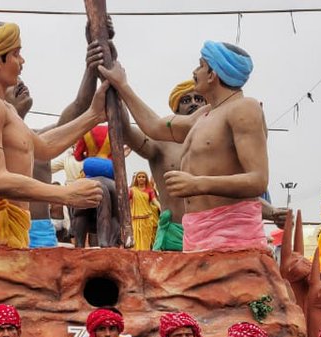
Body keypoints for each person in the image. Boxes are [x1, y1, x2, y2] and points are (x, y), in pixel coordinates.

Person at [99, 41, 269, 252]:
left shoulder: (244, 108)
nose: (194, 72)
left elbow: (258, 180)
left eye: (200, 65)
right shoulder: (204, 115)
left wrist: (198, 184)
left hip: (231, 235)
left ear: (212, 75)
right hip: (195, 233)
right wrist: (121, 84)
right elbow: (154, 126)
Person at [0, 21, 106, 248]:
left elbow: (44, 146)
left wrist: (93, 115)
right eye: (16, 54)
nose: (22, 61)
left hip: (9, 234)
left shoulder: (3, 108)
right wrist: (65, 194)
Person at [123, 80, 208, 251]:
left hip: (212, 236)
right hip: (173, 239)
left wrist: (271, 212)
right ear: (175, 110)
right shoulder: (160, 142)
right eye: (186, 100)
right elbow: (125, 129)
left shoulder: (219, 145)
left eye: (199, 99)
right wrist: (118, 87)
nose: (193, 103)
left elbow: (241, 191)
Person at [129, 171, 161, 251]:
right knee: (135, 243)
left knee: (146, 243)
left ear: (146, 179)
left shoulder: (150, 191)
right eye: (139, 177)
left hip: (147, 220)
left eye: (143, 177)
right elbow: (126, 202)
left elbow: (154, 201)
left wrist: (161, 207)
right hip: (135, 220)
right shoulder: (132, 190)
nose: (141, 178)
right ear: (136, 179)